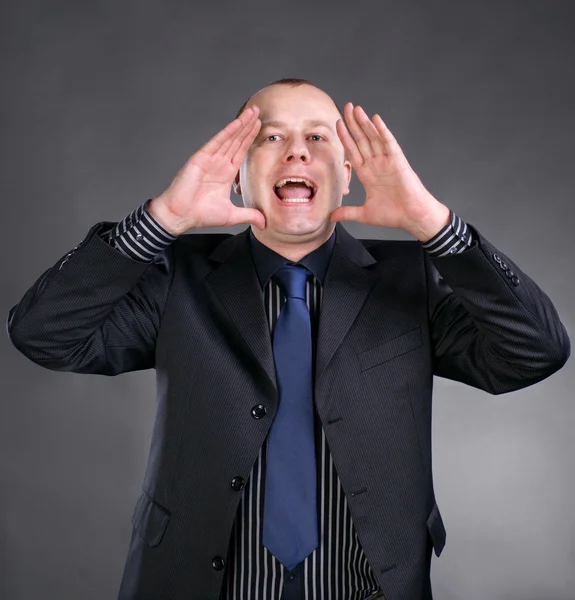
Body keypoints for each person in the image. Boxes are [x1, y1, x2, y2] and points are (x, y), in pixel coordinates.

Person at [6, 78, 570, 600]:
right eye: (271, 136)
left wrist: (434, 225)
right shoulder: (174, 275)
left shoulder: (413, 276)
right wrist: (162, 220)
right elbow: (43, 333)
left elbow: (535, 352)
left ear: (347, 173)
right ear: (238, 173)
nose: (296, 152)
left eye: (318, 137)